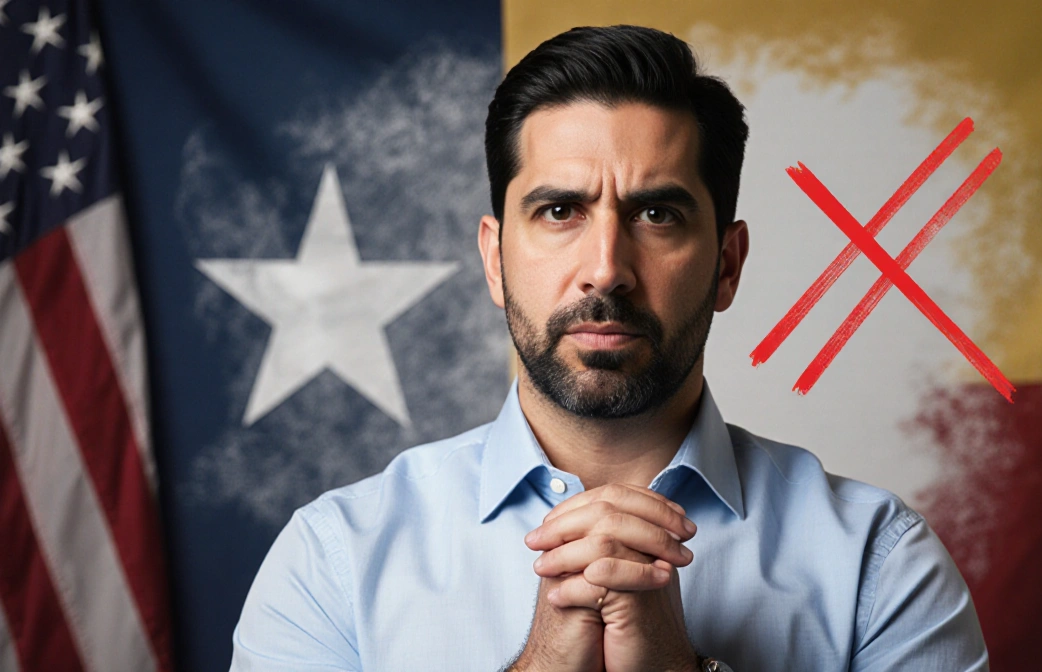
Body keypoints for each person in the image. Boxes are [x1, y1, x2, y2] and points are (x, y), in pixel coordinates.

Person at [229, 24, 989, 672]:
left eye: (656, 212)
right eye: (560, 210)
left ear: (726, 265)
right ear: (495, 260)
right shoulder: (332, 563)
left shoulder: (877, 565)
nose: (605, 269)